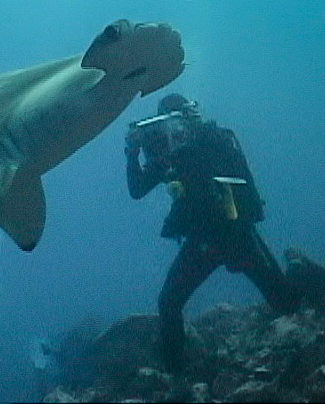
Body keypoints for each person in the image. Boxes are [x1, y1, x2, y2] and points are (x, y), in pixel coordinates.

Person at [125, 93, 300, 372]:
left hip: (235, 232)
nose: (174, 132)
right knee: (168, 302)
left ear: (189, 117)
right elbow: (136, 190)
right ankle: (175, 372)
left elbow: (238, 170)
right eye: (166, 126)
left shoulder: (214, 138)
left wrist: (199, 131)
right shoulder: (166, 154)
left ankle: (306, 331)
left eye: (178, 123)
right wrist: (132, 154)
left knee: (283, 299)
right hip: (202, 240)